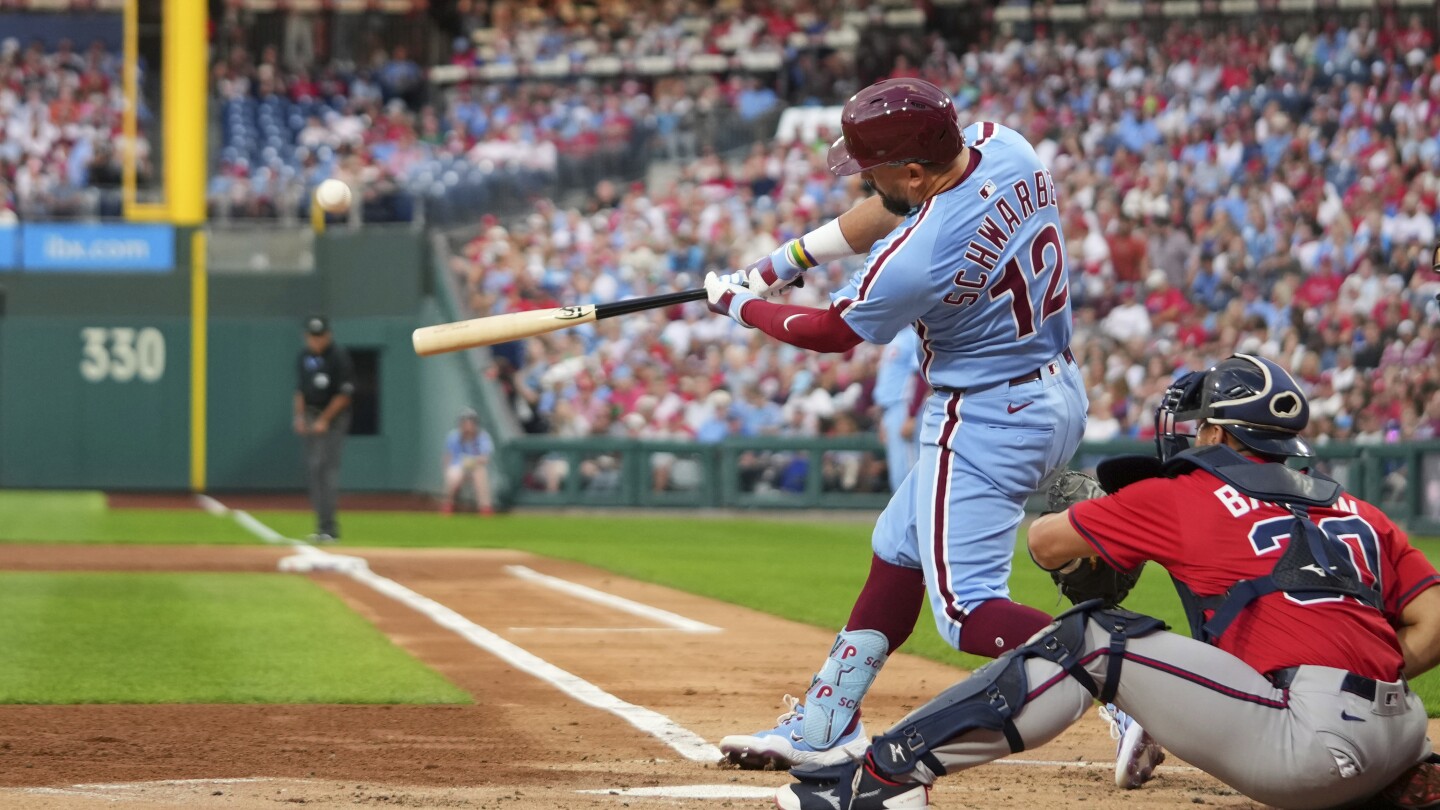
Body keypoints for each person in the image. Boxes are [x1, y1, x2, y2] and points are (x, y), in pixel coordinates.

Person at [772, 353, 1440, 810]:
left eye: (1200, 425)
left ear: (1219, 432)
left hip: (1309, 749)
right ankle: (1376, 779)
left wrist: (1101, 509)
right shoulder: (1359, 511)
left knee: (1091, 636)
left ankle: (884, 775)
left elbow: (1046, 543)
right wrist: (1358, 678)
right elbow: (1433, 627)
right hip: (1404, 735)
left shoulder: (1186, 494)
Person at [710, 79, 1097, 770]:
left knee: (968, 611)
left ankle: (1127, 682)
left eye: (876, 168)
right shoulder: (1006, 146)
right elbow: (886, 208)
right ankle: (825, 725)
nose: (867, 179)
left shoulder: (917, 257)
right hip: (1055, 387)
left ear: (914, 171)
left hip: (986, 414)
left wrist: (740, 305)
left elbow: (831, 332)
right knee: (897, 546)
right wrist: (777, 266)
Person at [293, 316, 354, 543]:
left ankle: (329, 529)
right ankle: (322, 527)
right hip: (311, 415)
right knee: (314, 470)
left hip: (334, 418)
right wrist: (300, 417)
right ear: (306, 336)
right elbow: (300, 390)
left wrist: (325, 419)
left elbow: (344, 395)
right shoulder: (304, 356)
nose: (316, 340)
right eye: (312, 336)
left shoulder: (338, 356)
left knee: (326, 470)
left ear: (328, 335)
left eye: (320, 336)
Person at [873, 329, 922, 493]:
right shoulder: (893, 335)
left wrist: (912, 415)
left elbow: (919, 376)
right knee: (897, 472)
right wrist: (882, 419)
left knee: (907, 471)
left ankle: (916, 510)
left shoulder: (914, 333)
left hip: (904, 406)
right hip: (889, 409)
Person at [441, 407, 495, 515]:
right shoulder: (453, 436)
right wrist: (447, 472)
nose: (468, 425)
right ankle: (448, 505)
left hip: (475, 466)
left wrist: (470, 462)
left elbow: (485, 458)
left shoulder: (482, 437)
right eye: (465, 422)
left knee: (480, 472)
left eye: (470, 422)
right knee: (452, 474)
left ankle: (485, 508)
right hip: (458, 467)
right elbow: (448, 457)